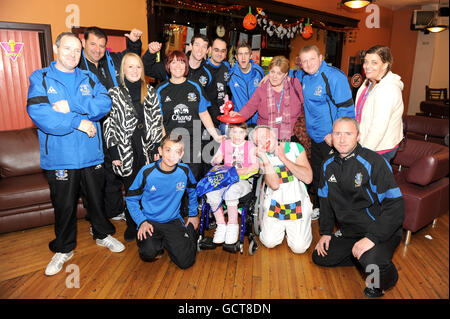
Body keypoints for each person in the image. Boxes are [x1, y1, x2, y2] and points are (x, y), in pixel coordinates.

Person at [26, 32, 125, 276]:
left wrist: (72, 107)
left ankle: (102, 234)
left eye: (77, 50)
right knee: (65, 206)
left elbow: (104, 105)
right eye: (68, 48)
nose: (73, 54)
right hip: (60, 158)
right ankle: (64, 248)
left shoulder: (89, 77)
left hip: (91, 155)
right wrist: (78, 122)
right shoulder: (41, 78)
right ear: (56, 48)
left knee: (96, 201)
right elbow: (41, 114)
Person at [312, 117, 404, 298]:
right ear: (331, 137)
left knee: (372, 261)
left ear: (358, 136)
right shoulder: (327, 165)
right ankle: (361, 258)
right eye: (337, 134)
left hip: (379, 230)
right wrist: (326, 232)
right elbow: (325, 200)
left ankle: (383, 276)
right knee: (320, 256)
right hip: (350, 231)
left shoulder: (374, 162)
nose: (342, 139)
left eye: (348, 133)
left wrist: (372, 238)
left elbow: (396, 205)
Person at [78, 26, 143, 221]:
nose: (97, 49)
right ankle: (98, 217)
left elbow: (131, 61)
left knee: (116, 170)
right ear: (83, 43)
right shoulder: (77, 65)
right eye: (93, 44)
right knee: (98, 176)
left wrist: (133, 42)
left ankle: (116, 211)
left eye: (101, 45)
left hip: (118, 125)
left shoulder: (111, 59)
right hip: (91, 128)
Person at [103, 52, 165, 241]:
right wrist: (114, 151)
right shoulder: (113, 93)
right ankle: (133, 223)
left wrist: (155, 148)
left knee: (147, 187)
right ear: (123, 70)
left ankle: (149, 222)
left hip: (147, 147)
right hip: (125, 148)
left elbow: (156, 120)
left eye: (138, 66)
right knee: (130, 189)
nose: (134, 70)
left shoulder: (151, 92)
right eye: (130, 66)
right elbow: (109, 124)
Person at [296, 45, 355, 219]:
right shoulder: (305, 76)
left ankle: (337, 215)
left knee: (334, 178)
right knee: (318, 175)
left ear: (321, 57)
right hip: (315, 137)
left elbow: (346, 110)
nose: (308, 64)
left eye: (312, 59)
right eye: (304, 61)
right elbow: (289, 72)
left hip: (331, 138)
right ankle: (321, 207)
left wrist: (337, 135)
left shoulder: (334, 77)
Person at [125, 134, 199, 269]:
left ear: (181, 154)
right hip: (150, 220)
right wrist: (141, 221)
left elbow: (193, 191)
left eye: (177, 151)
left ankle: (187, 235)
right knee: (148, 252)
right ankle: (161, 243)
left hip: (173, 220)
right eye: (168, 150)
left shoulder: (184, 170)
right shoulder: (147, 172)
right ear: (160, 151)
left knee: (186, 262)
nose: (172, 155)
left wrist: (193, 214)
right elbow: (131, 199)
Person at [155, 50, 224, 182]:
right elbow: (159, 121)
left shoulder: (195, 86)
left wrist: (215, 135)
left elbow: (203, 113)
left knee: (192, 180)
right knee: (173, 181)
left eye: (181, 62)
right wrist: (165, 146)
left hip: (194, 142)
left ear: (186, 66)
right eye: (173, 62)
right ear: (168, 66)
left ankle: (192, 203)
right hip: (172, 143)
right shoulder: (160, 89)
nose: (177, 66)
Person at [249, 125, 313, 254]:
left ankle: (299, 226)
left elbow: (308, 178)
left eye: (264, 136)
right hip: (275, 204)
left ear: (273, 134)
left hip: (297, 203)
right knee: (269, 242)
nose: (262, 142)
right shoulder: (261, 158)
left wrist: (283, 158)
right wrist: (266, 160)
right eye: (258, 141)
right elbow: (274, 185)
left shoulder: (295, 148)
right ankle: (282, 227)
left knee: (299, 248)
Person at [205, 122, 259, 244]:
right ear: (229, 133)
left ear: (245, 133)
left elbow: (255, 166)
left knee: (231, 191)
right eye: (234, 131)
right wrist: (216, 160)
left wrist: (242, 171)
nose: (237, 135)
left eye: (241, 132)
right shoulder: (225, 144)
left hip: (243, 181)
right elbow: (215, 161)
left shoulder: (249, 146)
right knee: (211, 191)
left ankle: (233, 225)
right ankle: (221, 225)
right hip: (226, 180)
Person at [230, 56, 304, 142]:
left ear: (285, 75)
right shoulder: (263, 87)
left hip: (292, 137)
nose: (274, 76)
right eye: (272, 72)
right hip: (266, 138)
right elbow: (250, 107)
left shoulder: (294, 84)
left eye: (279, 73)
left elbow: (305, 105)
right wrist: (239, 116)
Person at [356, 45, 404, 162]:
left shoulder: (388, 89)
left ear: (385, 65)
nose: (367, 66)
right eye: (366, 62)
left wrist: (363, 154)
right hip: (364, 142)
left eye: (374, 63)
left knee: (371, 180)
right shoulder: (368, 81)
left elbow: (378, 128)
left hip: (380, 147)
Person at [227, 42, 265, 126]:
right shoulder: (231, 74)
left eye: (246, 54)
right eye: (240, 54)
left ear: (251, 56)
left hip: (257, 120)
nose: (243, 58)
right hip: (239, 120)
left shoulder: (259, 72)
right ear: (236, 57)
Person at [204, 37, 232, 127]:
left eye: (223, 51)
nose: (220, 54)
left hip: (222, 119)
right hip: (203, 120)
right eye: (216, 50)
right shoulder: (202, 68)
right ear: (210, 49)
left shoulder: (227, 67)